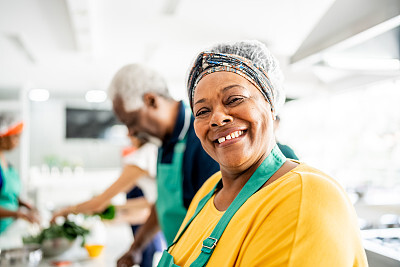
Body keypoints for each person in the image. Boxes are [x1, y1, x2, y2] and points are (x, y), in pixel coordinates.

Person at [157, 40, 368, 266]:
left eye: (235, 99)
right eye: (202, 111)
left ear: (271, 103)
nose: (217, 118)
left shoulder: (305, 196)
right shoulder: (209, 189)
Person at [107, 64, 220, 267]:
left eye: (131, 121)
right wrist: (136, 249)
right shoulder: (163, 142)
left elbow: (217, 221)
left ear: (151, 101)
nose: (130, 133)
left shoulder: (202, 138)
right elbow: (164, 206)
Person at [51, 134, 164, 267]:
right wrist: (115, 208)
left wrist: (66, 211)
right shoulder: (155, 151)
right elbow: (152, 202)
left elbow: (99, 203)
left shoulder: (142, 157)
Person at [0, 113, 39, 234]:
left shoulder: (7, 164)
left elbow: (9, 196)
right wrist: (18, 213)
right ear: (2, 136)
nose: (18, 142)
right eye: (15, 137)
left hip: (8, 229)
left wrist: (25, 205)